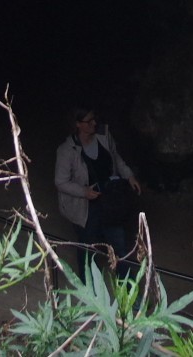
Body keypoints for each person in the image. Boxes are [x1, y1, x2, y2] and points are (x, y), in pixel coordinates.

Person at [54, 105, 143, 277]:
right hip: (86, 207)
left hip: (109, 199)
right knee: (88, 247)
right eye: (88, 121)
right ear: (78, 124)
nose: (94, 123)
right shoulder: (66, 150)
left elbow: (115, 157)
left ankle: (128, 290)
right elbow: (61, 182)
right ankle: (87, 287)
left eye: (94, 119)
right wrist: (84, 192)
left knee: (119, 245)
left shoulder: (103, 136)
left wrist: (129, 175)